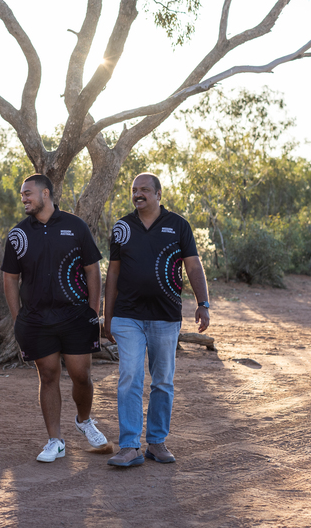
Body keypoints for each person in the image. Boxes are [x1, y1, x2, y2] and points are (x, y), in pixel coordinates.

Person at [103, 173, 211, 467]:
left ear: (158, 194)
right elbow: (112, 273)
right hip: (128, 316)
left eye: (145, 190)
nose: (138, 194)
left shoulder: (178, 225)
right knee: (130, 378)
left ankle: (156, 443)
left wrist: (203, 304)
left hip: (165, 317)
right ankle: (129, 446)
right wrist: (107, 315)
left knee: (162, 380)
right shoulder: (122, 227)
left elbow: (193, 265)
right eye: (134, 190)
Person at [2, 174, 108, 462]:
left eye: (28, 193)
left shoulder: (75, 226)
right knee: (48, 376)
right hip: (36, 319)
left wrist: (92, 311)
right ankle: (55, 440)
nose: (23, 198)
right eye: (22, 194)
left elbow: (92, 270)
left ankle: (84, 420)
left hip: (75, 316)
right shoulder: (18, 234)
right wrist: (18, 317)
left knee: (81, 376)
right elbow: (10, 278)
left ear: (45, 193)